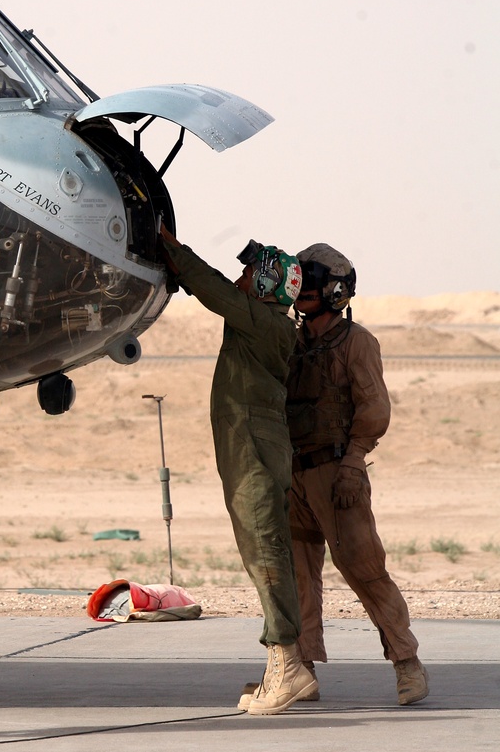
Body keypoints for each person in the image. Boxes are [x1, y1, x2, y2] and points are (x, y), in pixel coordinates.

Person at [159, 226, 314, 715]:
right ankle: (287, 665)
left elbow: (212, 289)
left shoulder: (266, 323)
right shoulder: (261, 323)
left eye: (249, 272)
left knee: (266, 553)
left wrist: (172, 248)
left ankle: (288, 667)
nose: (241, 277)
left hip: (254, 456)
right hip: (249, 452)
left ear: (266, 286)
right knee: (263, 553)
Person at [286, 243, 429, 705]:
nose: (303, 293)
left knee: (365, 570)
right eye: (299, 284)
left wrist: (352, 464)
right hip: (293, 476)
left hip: (336, 475)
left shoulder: (358, 342)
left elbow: (374, 408)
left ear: (336, 291)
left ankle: (407, 663)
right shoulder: (292, 339)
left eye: (312, 284)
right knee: (297, 577)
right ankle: (300, 669)